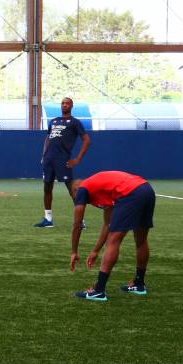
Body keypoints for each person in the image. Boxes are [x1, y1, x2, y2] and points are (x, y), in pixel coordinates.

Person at [69, 171, 154, 302]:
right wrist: (95, 251)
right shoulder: (101, 189)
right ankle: (139, 283)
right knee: (141, 240)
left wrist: (74, 251)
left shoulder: (81, 189)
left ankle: (99, 290)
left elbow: (77, 224)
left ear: (75, 192)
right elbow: (107, 224)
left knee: (113, 240)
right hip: (146, 189)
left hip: (130, 192)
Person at [34, 97, 91, 228]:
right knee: (47, 187)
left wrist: (77, 159)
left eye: (67, 103)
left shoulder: (75, 122)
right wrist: (44, 155)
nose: (64, 105)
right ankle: (48, 219)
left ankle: (80, 221)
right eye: (63, 103)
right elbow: (48, 138)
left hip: (62, 159)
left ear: (71, 106)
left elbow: (87, 140)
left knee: (72, 190)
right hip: (49, 159)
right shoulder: (53, 121)